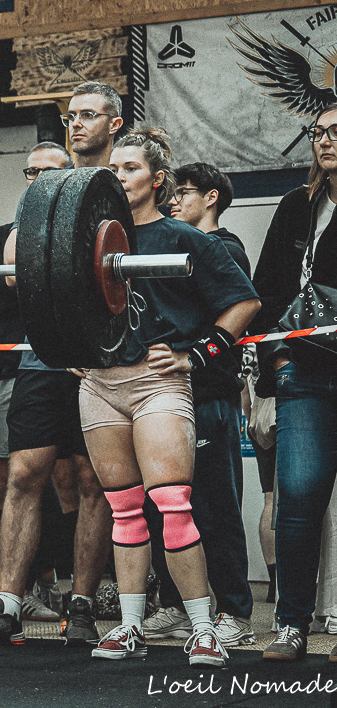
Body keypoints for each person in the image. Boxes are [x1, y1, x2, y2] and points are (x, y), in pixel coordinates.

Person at [78, 127, 258, 667]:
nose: (118, 176)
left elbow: (244, 303)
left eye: (130, 168)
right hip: (101, 386)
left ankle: (203, 629)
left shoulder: (187, 239)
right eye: (114, 168)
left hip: (158, 383)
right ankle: (130, 626)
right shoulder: (88, 241)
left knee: (173, 504)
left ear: (157, 181)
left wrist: (196, 355)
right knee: (125, 510)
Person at [0, 82, 122, 648]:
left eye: (88, 115)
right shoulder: (37, 206)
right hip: (39, 361)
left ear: (114, 123)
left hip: (99, 366)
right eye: (70, 116)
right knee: (25, 476)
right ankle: (9, 602)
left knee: (93, 482)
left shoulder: (116, 193)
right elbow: (6, 278)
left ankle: (80, 604)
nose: (76, 124)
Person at [139, 162, 255, 647]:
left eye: (183, 193)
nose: (173, 200)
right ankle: (178, 606)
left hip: (208, 396)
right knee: (163, 506)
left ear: (211, 197)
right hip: (157, 396)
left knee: (214, 506)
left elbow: (243, 308)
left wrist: (197, 355)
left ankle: (235, 612)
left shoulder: (222, 248)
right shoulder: (163, 244)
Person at [250, 103, 337, 661]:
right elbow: (266, 293)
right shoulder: (298, 206)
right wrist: (273, 370)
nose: (324, 140)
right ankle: (291, 624)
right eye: (318, 132)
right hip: (304, 371)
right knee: (299, 497)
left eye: (336, 132)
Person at [0, 142, 74, 620]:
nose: (36, 180)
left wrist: (14, 280)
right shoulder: (4, 233)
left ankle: (63, 586)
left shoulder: (80, 228)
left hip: (76, 366)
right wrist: (29, 276)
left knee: (75, 481)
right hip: (14, 368)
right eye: (30, 171)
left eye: (49, 172)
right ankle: (12, 590)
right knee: (11, 478)